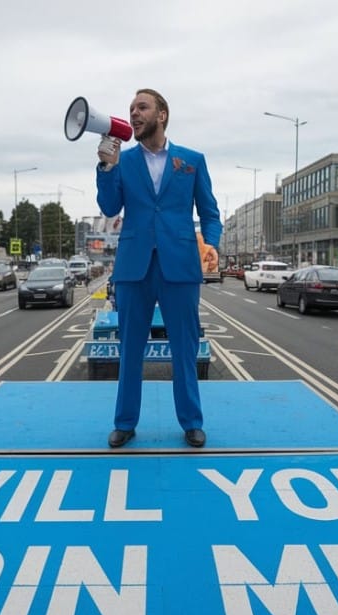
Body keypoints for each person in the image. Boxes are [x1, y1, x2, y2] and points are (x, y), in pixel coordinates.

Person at [95, 88, 221, 449]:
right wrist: (107, 167)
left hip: (180, 265)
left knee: (185, 348)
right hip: (134, 267)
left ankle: (192, 422)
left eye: (142, 107)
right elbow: (108, 207)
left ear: (161, 115)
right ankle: (124, 423)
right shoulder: (125, 161)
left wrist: (210, 242)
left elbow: (209, 213)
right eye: (131, 108)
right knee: (130, 348)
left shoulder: (192, 161)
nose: (134, 113)